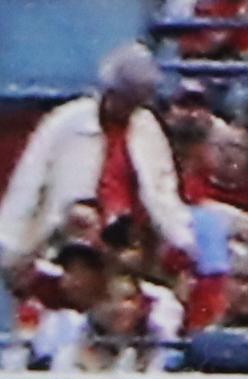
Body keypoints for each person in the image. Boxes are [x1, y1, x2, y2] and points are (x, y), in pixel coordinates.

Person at [0, 46, 184, 278]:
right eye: (125, 98)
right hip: (67, 241)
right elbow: (29, 180)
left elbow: (163, 190)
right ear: (110, 90)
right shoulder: (65, 122)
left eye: (136, 101)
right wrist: (11, 242)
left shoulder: (148, 128)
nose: (129, 107)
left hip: (130, 243)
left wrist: (181, 238)